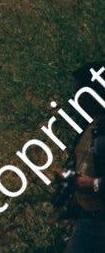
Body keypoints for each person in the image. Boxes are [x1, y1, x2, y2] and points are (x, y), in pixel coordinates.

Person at [59, 62, 105, 252]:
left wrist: (93, 184)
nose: (76, 98)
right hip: (88, 220)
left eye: (80, 91)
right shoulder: (89, 126)